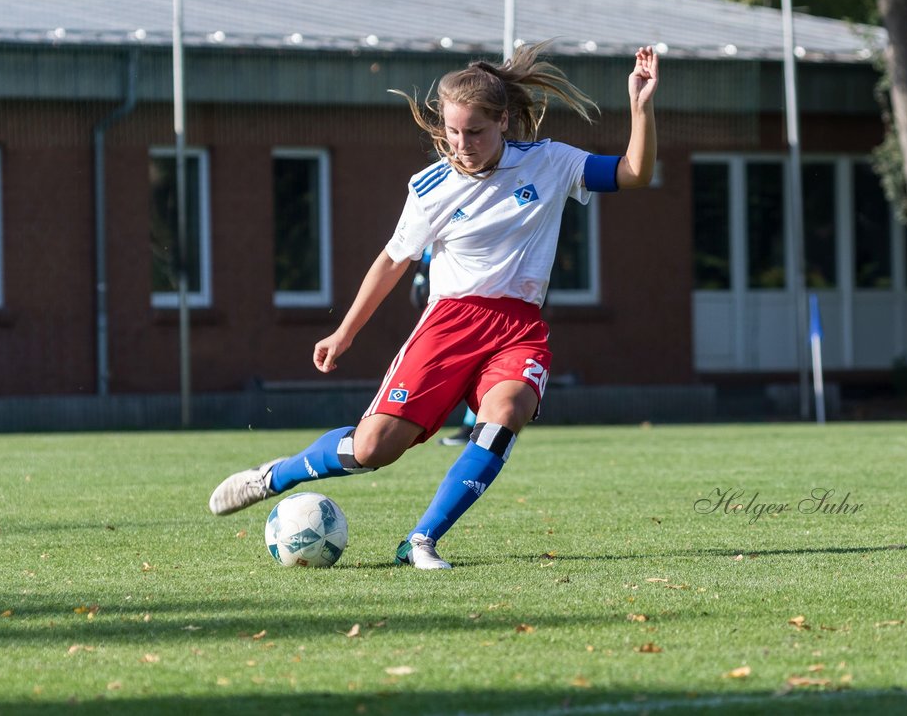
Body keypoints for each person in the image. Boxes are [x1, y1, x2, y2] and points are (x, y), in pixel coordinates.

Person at [209, 42, 660, 569]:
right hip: (448, 325)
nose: (462, 144)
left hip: (517, 327)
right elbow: (391, 261)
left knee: (508, 410)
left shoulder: (551, 163)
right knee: (372, 449)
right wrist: (344, 333)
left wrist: (640, 107)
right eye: (452, 131)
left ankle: (421, 541)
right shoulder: (430, 188)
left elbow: (634, 173)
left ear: (505, 122)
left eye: (475, 132)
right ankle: (276, 476)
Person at [411, 244, 479, 446]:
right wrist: (421, 275)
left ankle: (473, 426)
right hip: (450, 301)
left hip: (476, 300)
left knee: (477, 364)